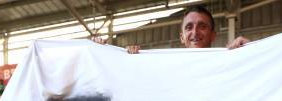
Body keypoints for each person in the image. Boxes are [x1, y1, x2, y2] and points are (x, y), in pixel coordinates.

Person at [94, 5, 249, 52]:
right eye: (189, 27)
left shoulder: (228, 63)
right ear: (182, 37)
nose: (195, 32)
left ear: (213, 35)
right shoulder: (165, 65)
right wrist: (100, 52)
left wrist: (251, 50)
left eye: (202, 26)